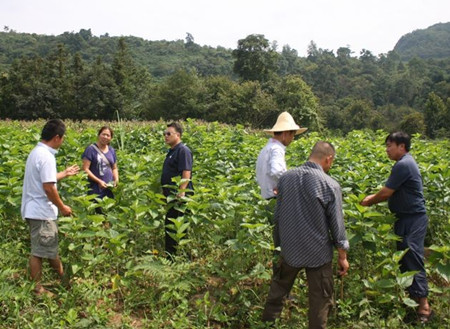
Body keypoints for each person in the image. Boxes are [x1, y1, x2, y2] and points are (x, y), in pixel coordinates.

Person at [262, 141, 349, 329]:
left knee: (278, 288)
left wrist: (278, 245)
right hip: (318, 252)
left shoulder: (286, 178)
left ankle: (267, 323)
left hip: (289, 248)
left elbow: (278, 216)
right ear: (328, 159)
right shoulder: (330, 184)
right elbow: (337, 226)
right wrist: (342, 256)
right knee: (320, 298)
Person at [360, 132, 432, 323]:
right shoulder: (403, 163)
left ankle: (424, 307)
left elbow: (385, 193)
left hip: (413, 218)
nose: (387, 149)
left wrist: (369, 201)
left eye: (389, 145)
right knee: (403, 257)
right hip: (404, 218)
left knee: (412, 256)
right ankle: (409, 303)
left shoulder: (404, 164)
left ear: (402, 146)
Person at [21, 119, 79, 296]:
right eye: (62, 138)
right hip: (41, 211)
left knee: (49, 247)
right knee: (39, 252)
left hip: (35, 209)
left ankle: (63, 280)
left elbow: (46, 179)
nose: (62, 141)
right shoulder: (46, 156)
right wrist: (62, 207)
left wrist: (64, 173)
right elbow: (48, 187)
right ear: (57, 137)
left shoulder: (37, 152)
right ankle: (38, 289)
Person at [160, 122, 193, 256]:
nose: (165, 136)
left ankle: (178, 256)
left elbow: (186, 172)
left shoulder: (183, 150)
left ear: (178, 135)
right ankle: (170, 255)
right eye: (164, 134)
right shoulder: (172, 151)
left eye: (169, 134)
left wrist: (181, 191)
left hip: (178, 197)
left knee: (178, 226)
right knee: (170, 224)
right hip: (170, 196)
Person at [82, 126, 119, 201]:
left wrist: (116, 180)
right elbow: (85, 169)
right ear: (99, 135)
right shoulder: (91, 149)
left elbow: (114, 168)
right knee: (96, 209)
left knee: (108, 210)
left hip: (109, 188)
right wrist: (99, 181)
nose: (105, 137)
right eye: (103, 134)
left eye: (108, 135)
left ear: (111, 138)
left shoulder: (111, 150)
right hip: (95, 188)